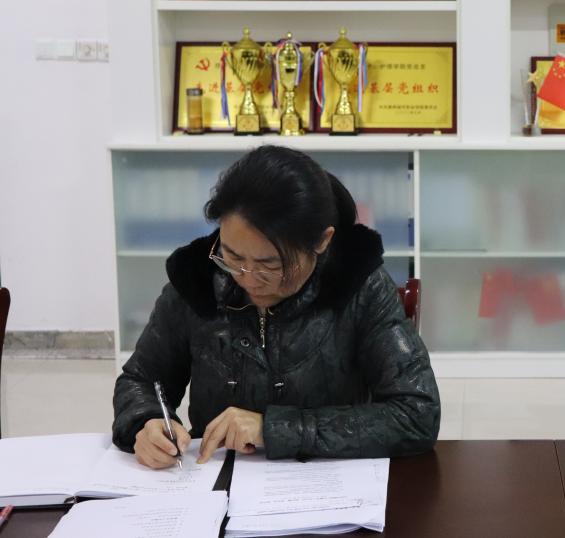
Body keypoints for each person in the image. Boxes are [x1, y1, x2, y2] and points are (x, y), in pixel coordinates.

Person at [113, 146, 440, 468]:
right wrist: (146, 422)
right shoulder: (196, 280)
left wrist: (272, 429)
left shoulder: (359, 285)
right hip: (215, 479)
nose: (247, 278)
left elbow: (417, 413)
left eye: (270, 264)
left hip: (329, 480)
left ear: (322, 241)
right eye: (232, 257)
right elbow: (140, 380)